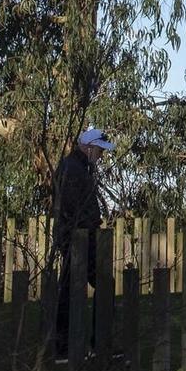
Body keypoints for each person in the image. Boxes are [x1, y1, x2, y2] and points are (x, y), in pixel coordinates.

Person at [52, 126, 111, 358]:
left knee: (69, 289)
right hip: (79, 239)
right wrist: (91, 226)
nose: (102, 155)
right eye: (99, 150)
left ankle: (66, 345)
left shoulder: (75, 167)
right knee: (98, 284)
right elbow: (74, 208)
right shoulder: (74, 170)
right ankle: (94, 343)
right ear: (88, 147)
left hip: (76, 238)